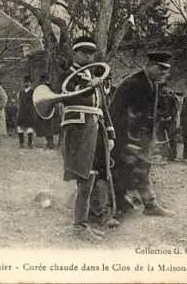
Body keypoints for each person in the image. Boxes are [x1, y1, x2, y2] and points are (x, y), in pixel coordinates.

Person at [54, 36, 117, 241]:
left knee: (98, 172)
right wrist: (91, 85)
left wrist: (109, 132)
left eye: (91, 53)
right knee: (84, 175)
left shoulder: (94, 77)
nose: (89, 56)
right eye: (84, 52)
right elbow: (69, 96)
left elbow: (102, 107)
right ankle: (79, 225)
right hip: (79, 128)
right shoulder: (68, 76)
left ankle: (93, 218)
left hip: (95, 127)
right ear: (75, 53)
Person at [109, 51, 175, 218]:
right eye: (160, 68)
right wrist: (126, 141)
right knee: (124, 170)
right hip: (125, 137)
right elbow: (118, 114)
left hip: (141, 137)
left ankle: (148, 204)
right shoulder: (134, 83)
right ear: (150, 66)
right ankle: (117, 208)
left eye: (166, 70)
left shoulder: (151, 83)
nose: (164, 73)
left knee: (142, 169)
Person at [157, 82, 180, 161]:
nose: (164, 89)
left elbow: (174, 108)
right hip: (161, 120)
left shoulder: (171, 97)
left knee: (172, 137)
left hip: (170, 120)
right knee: (161, 138)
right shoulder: (157, 98)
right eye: (162, 87)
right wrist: (160, 116)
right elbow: (155, 109)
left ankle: (173, 156)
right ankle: (164, 154)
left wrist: (171, 116)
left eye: (165, 87)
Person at [34, 73, 57, 149]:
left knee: (49, 128)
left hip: (49, 110)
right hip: (43, 109)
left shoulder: (50, 87)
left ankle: (51, 144)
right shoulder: (41, 87)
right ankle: (49, 143)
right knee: (45, 128)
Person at [16, 75, 36, 148]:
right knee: (19, 128)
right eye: (24, 82)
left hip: (29, 113)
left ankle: (30, 144)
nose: (26, 84)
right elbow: (19, 102)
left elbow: (35, 103)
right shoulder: (21, 92)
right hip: (21, 113)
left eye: (27, 82)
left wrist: (32, 110)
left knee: (29, 128)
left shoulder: (33, 92)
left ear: (30, 83)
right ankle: (21, 144)